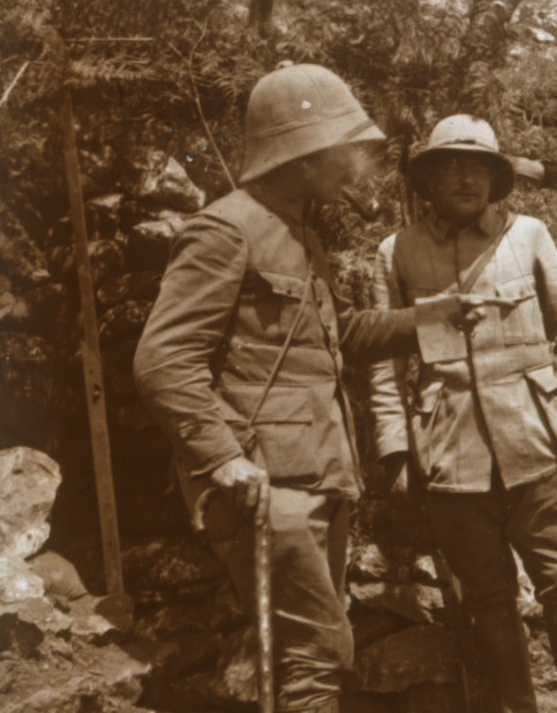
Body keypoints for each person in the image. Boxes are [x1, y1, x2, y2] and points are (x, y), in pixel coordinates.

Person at [134, 63, 427, 713]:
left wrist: (433, 322)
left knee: (315, 653)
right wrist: (221, 457)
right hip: (264, 486)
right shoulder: (225, 231)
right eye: (340, 148)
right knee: (316, 656)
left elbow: (336, 338)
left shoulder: (300, 235)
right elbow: (163, 359)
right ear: (300, 153)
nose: (354, 164)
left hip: (315, 476)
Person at [369, 114, 557, 713]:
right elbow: (383, 366)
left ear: (497, 178)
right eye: (449, 166)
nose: (464, 178)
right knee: (489, 602)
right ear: (427, 180)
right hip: (452, 457)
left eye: (477, 166)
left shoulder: (528, 236)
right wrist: (397, 448)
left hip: (539, 449)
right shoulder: (396, 252)